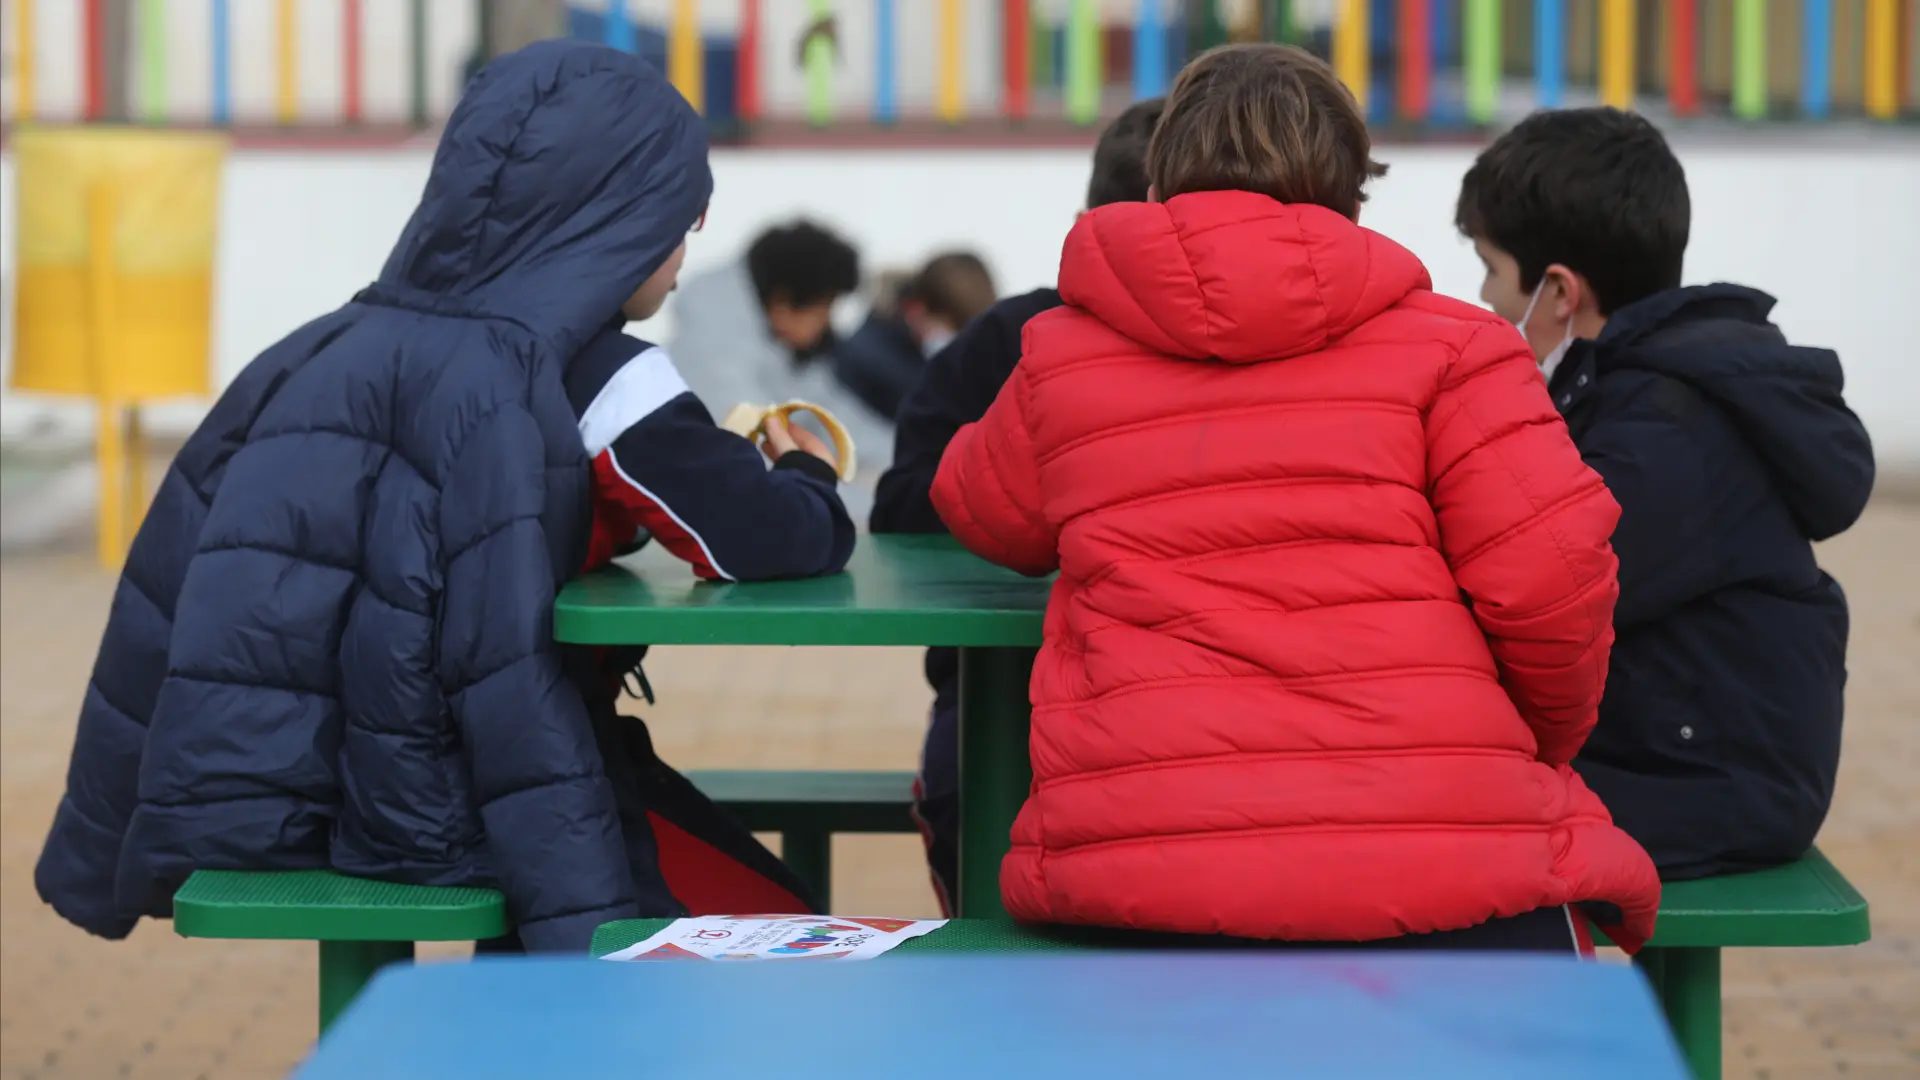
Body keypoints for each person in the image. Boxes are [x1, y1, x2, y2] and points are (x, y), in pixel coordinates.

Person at [35, 42, 854, 954]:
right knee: (781, 926)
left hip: (295, 798)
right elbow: (760, 538)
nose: (691, 234)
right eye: (678, 210)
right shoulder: (597, 370)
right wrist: (809, 475)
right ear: (607, 220)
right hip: (475, 802)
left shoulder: (316, 349)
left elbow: (160, 596)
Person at [931, 44, 1660, 951]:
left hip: (1147, 859)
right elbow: (1555, 582)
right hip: (1434, 850)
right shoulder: (1459, 351)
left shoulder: (1063, 352)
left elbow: (979, 506)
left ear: (1163, 179)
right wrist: (1530, 742)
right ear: (1352, 189)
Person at [1455, 108, 1874, 880]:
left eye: (1488, 268)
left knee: (1426, 817)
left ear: (1557, 293)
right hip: (1685, 755)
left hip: (1710, 785)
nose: (1482, 299)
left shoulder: (1667, 427)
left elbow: (1548, 599)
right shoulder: (1634, 389)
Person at [870, 96, 1162, 913]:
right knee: (972, 799)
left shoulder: (1021, 339)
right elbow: (907, 501)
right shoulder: (1014, 341)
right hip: (1003, 689)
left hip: (1135, 698)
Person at [671, 220, 892, 516]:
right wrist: (878, 508)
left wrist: (909, 460)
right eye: (825, 309)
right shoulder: (710, 359)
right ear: (783, 303)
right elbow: (757, 464)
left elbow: (837, 418)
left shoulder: (778, 348)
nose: (827, 323)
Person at [833, 252, 998, 421]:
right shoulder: (869, 359)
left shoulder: (915, 356)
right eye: (953, 330)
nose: (957, 343)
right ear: (917, 310)